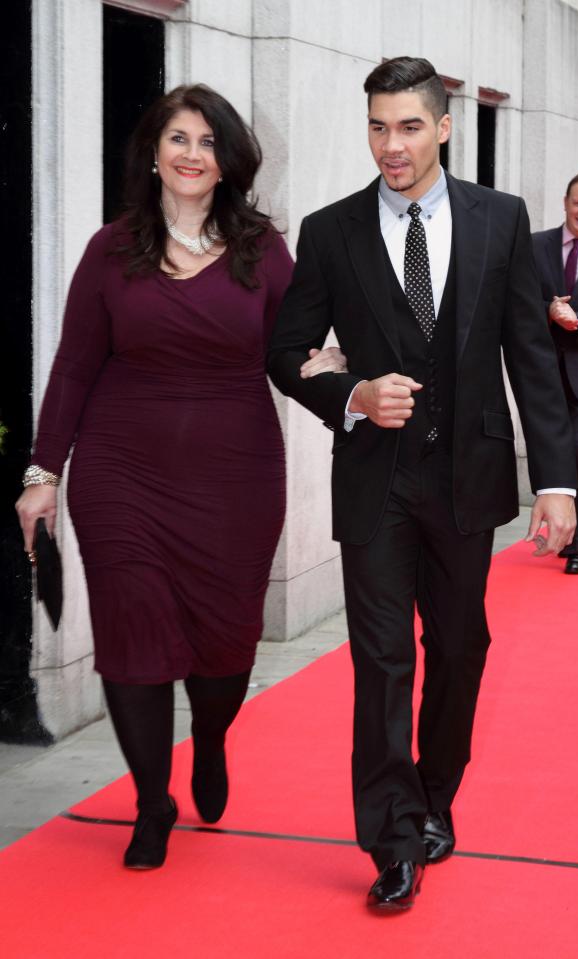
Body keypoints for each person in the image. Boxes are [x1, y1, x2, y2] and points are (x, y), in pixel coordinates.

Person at [267, 57, 577, 911]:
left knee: (461, 650)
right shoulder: (331, 232)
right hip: (376, 483)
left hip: (467, 479)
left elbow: (530, 356)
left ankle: (436, 796)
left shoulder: (500, 219)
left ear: (444, 126)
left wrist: (557, 481)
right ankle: (393, 837)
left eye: (407, 126)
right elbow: (286, 352)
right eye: (377, 126)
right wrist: (352, 395)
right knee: (383, 662)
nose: (390, 145)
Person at [15, 84, 344, 870]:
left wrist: (334, 374)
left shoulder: (263, 249)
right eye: (178, 139)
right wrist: (42, 472)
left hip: (235, 477)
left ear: (228, 159)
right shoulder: (111, 248)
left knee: (224, 647)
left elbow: (288, 352)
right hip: (121, 469)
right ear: (154, 155)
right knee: (133, 635)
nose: (193, 155)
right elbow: (73, 366)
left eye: (207, 142)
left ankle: (212, 734)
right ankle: (152, 801)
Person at [532, 172, 578, 575]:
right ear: (565, 202)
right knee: (553, 453)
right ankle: (563, 528)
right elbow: (520, 297)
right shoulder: (535, 245)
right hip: (544, 371)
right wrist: (549, 310)